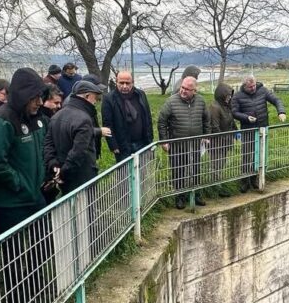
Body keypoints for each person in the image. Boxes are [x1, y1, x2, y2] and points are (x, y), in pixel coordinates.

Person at [0, 69, 55, 303]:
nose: (39, 102)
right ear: (23, 95)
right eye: (35, 98)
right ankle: (17, 302)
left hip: (34, 197)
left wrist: (47, 174)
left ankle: (37, 289)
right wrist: (19, 184)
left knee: (41, 246)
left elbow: (43, 150)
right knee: (13, 254)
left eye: (41, 97)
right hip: (9, 203)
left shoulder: (37, 120)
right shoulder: (2, 121)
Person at [45, 80, 109, 195]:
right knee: (86, 205)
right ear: (87, 96)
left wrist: (53, 164)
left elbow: (48, 144)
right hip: (82, 177)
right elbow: (78, 152)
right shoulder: (83, 119)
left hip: (62, 175)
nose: (95, 102)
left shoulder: (56, 116)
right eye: (95, 98)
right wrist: (64, 173)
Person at [158, 76, 211, 210]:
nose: (183, 91)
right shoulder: (171, 101)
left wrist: (206, 135)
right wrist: (164, 141)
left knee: (196, 170)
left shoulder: (201, 101)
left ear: (194, 91)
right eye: (182, 87)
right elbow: (162, 121)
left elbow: (206, 119)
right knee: (178, 171)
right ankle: (180, 197)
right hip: (177, 145)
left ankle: (196, 195)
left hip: (195, 145)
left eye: (187, 89)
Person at [231, 75, 286, 192]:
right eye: (250, 87)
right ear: (244, 86)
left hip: (262, 129)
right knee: (247, 156)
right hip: (248, 130)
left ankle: (255, 179)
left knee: (260, 155)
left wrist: (281, 111)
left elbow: (276, 100)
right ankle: (244, 181)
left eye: (254, 85)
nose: (253, 88)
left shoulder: (263, 91)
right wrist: (246, 117)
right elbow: (234, 112)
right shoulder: (237, 96)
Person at [102, 71, 154, 162]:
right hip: (122, 145)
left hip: (142, 142)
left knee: (143, 168)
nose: (124, 86)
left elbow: (147, 117)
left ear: (132, 83)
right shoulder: (109, 99)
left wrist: (150, 138)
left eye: (127, 83)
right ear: (116, 82)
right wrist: (113, 145)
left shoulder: (140, 94)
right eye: (121, 83)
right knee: (125, 170)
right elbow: (107, 124)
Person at [206, 82, 237, 196]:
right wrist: (225, 139)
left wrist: (236, 131)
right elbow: (215, 127)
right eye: (228, 95)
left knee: (221, 164)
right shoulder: (214, 107)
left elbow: (231, 120)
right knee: (216, 165)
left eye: (230, 96)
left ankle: (218, 185)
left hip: (225, 140)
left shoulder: (226, 106)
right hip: (216, 142)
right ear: (221, 95)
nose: (229, 98)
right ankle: (216, 188)